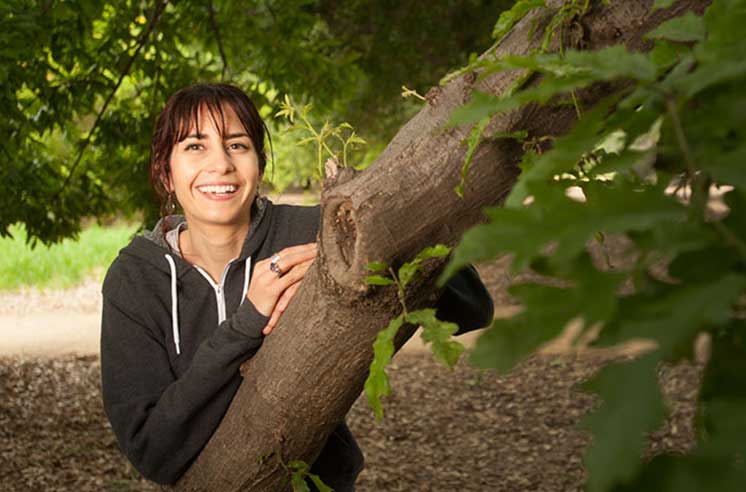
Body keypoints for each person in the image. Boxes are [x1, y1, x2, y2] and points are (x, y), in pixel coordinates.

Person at [100, 83, 494, 490]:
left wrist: (359, 263)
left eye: (237, 145)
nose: (221, 165)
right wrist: (248, 321)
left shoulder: (311, 232)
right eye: (196, 147)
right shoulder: (136, 279)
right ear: (165, 172)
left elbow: (472, 308)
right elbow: (153, 453)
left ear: (259, 163)